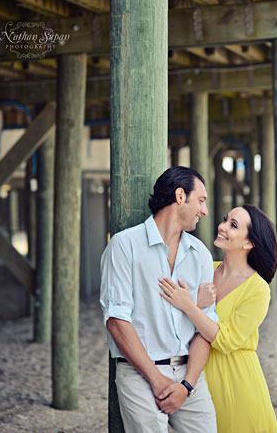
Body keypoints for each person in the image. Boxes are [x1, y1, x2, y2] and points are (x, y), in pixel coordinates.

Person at [100, 166, 218, 433]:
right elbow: (117, 321)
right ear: (179, 196)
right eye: (201, 200)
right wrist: (156, 379)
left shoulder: (200, 254)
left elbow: (206, 328)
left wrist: (187, 385)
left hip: (190, 377)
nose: (205, 211)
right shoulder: (124, 246)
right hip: (140, 374)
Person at [159, 204, 277, 433]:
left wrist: (189, 305)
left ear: (249, 243)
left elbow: (227, 339)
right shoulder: (206, 269)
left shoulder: (258, 289)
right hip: (197, 374)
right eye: (225, 220)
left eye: (233, 225)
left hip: (237, 381)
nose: (222, 226)